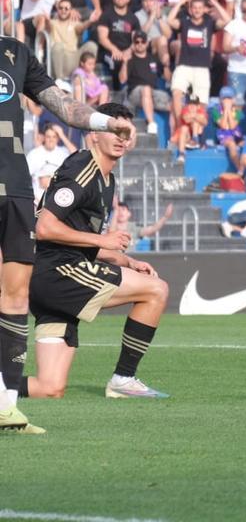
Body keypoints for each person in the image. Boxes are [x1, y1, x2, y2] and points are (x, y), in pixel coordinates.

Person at [23, 103, 167, 404]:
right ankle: (124, 378)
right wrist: (103, 240)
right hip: (59, 272)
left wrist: (128, 261)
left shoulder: (106, 178)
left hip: (53, 278)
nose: (121, 138)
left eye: (126, 133)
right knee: (156, 290)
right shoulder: (83, 168)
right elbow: (45, 227)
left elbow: (82, 241)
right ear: (93, 134)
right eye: (113, 130)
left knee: (49, 387)